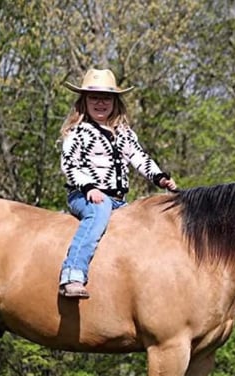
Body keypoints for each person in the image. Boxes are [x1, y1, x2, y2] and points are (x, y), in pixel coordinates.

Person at [58, 68, 177, 298]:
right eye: (94, 98)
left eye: (106, 98)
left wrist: (159, 177)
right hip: (86, 196)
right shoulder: (78, 133)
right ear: (84, 101)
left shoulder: (124, 133)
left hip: (118, 200)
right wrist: (89, 188)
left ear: (115, 102)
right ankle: (72, 272)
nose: (100, 103)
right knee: (98, 213)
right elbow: (70, 166)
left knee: (143, 221)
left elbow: (139, 158)